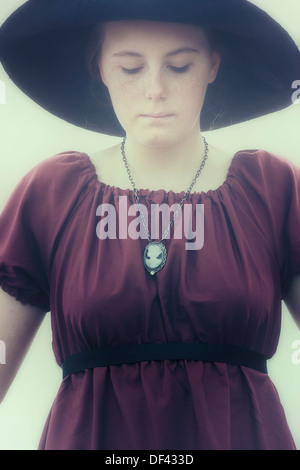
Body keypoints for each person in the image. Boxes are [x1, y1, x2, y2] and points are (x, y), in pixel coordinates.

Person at [0, 0, 300, 450]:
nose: (155, 89)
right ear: (100, 67)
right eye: (130, 68)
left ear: (212, 66)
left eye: (179, 66)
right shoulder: (51, 193)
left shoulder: (273, 188)